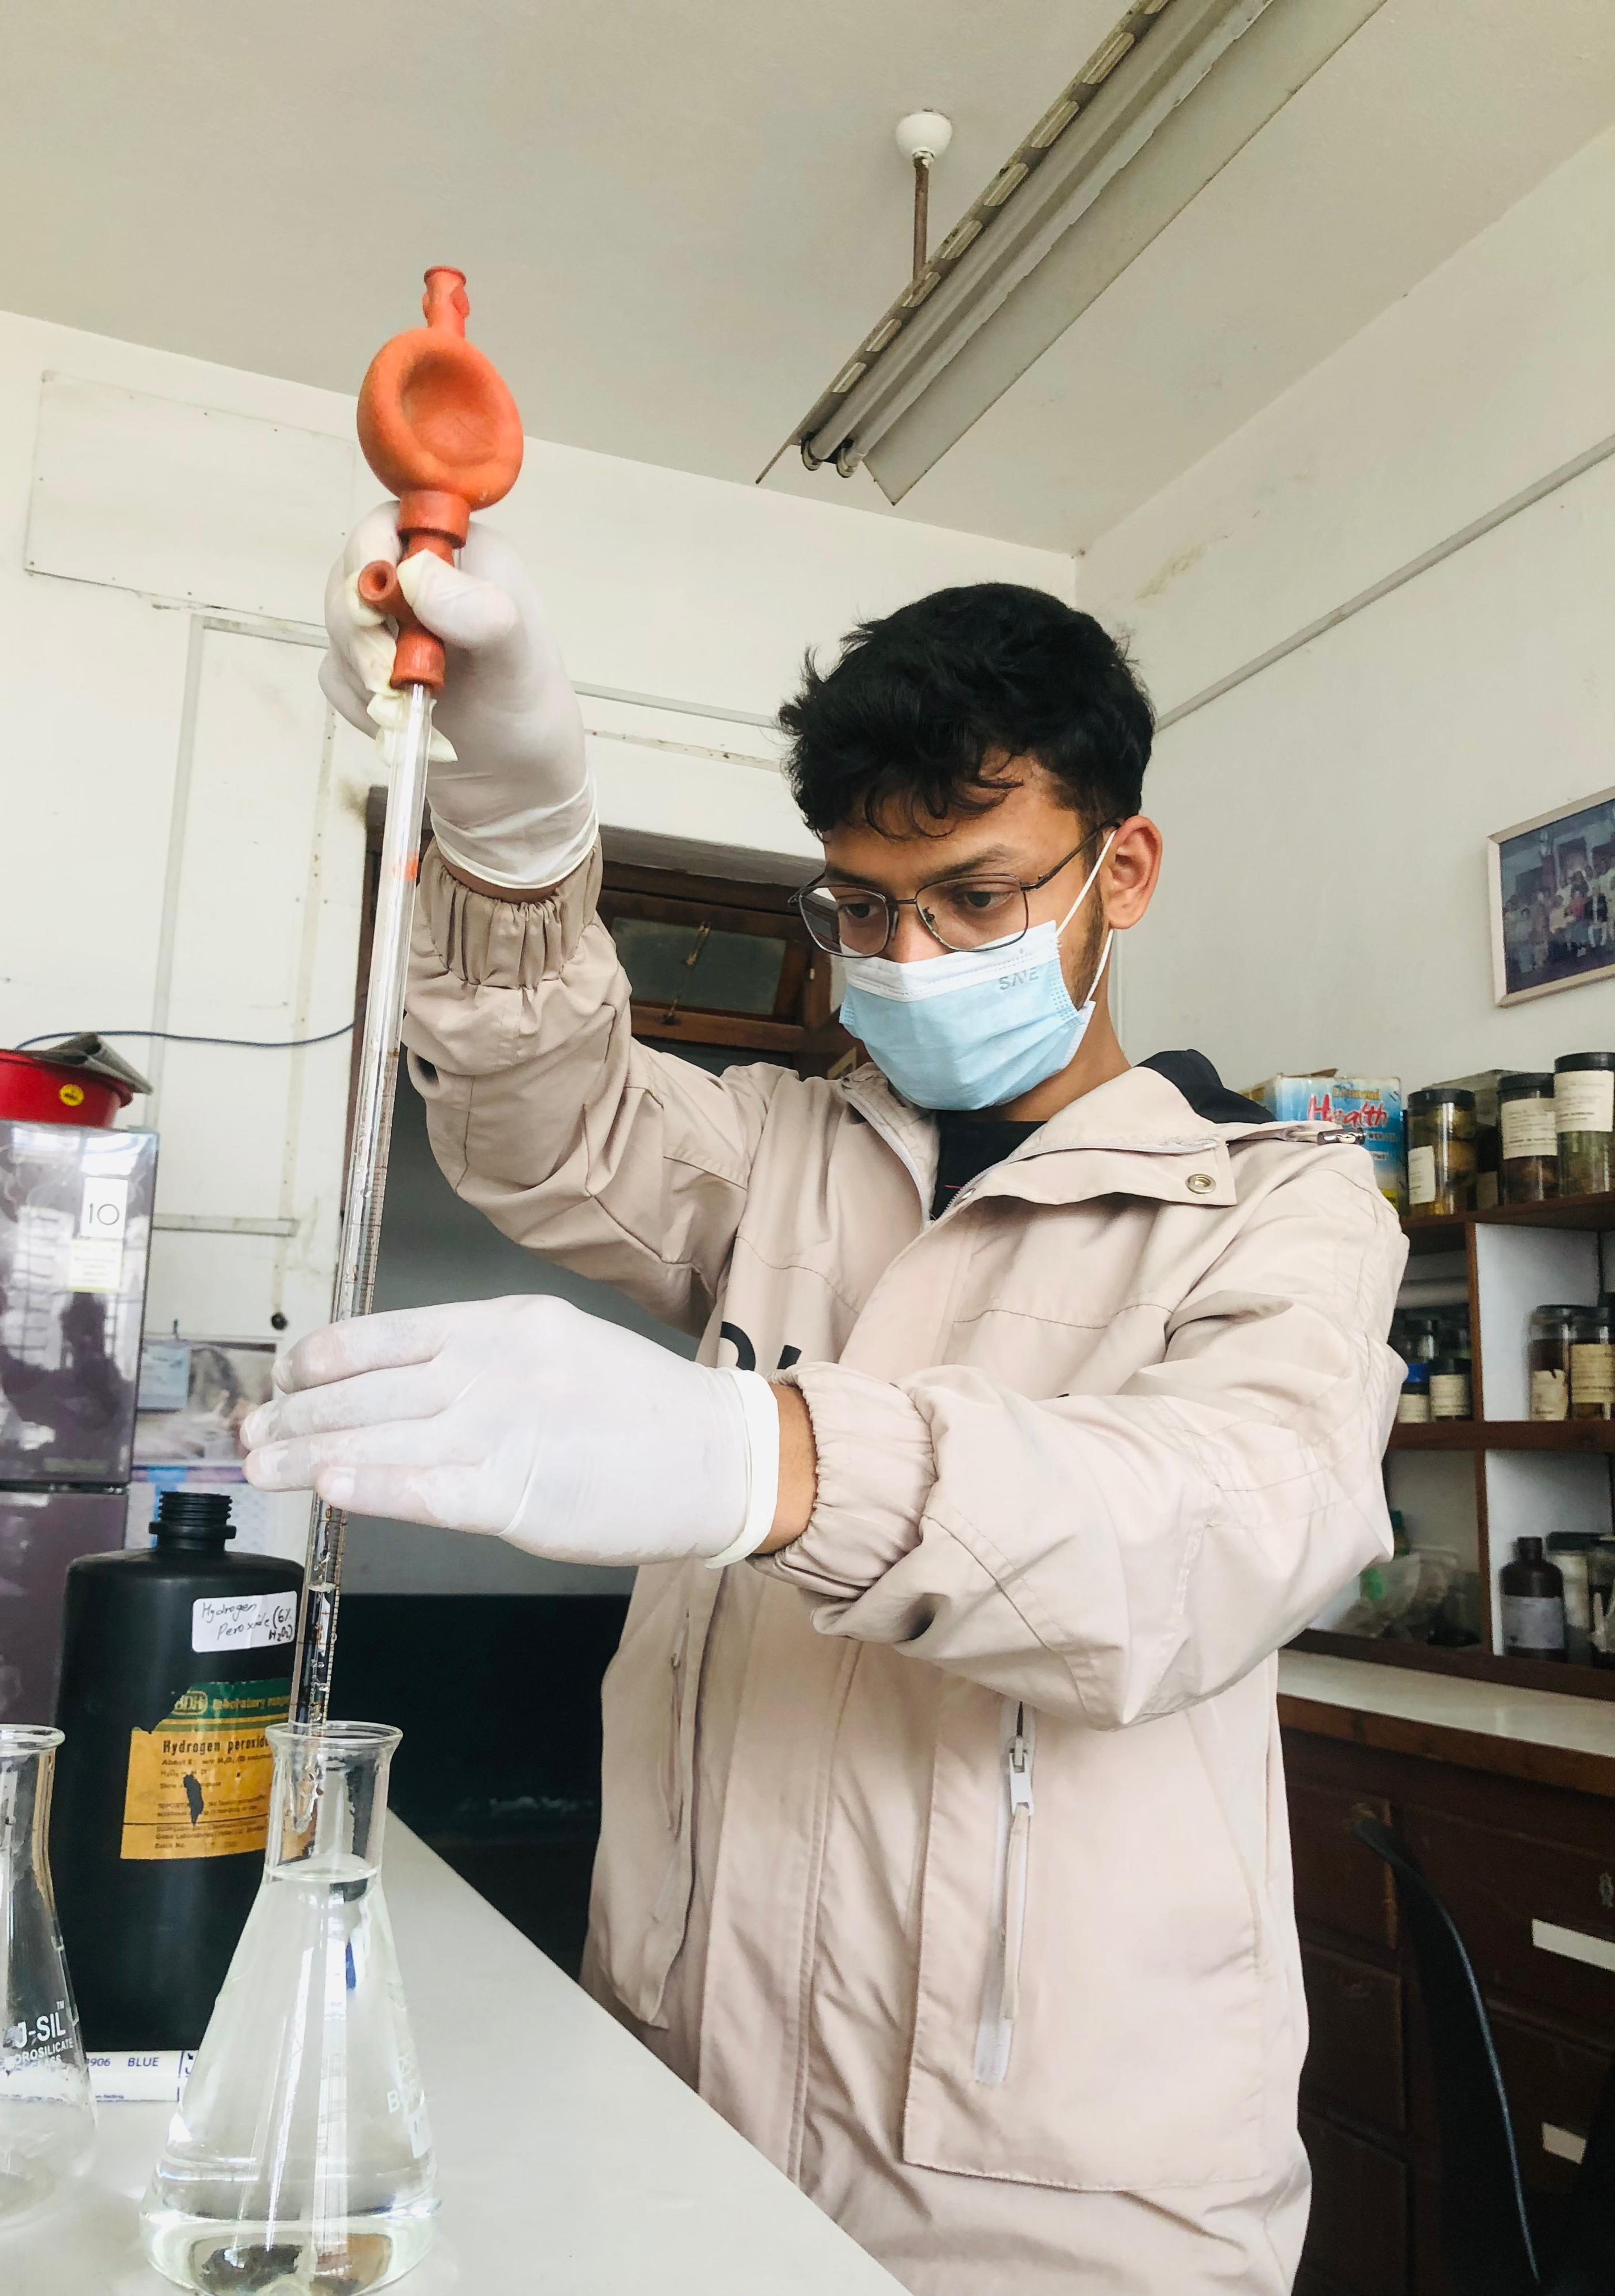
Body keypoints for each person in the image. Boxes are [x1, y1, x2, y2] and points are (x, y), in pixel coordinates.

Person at [243, 508, 1405, 2296]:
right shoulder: (781, 1148)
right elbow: (535, 1117)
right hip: (681, 2103)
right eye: (868, 907)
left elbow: (1215, 1537)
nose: (917, 957)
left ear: (1128, 867)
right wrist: (514, 827)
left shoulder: (1279, 1207)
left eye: (979, 896)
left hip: (1050, 2204)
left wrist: (761, 1458)